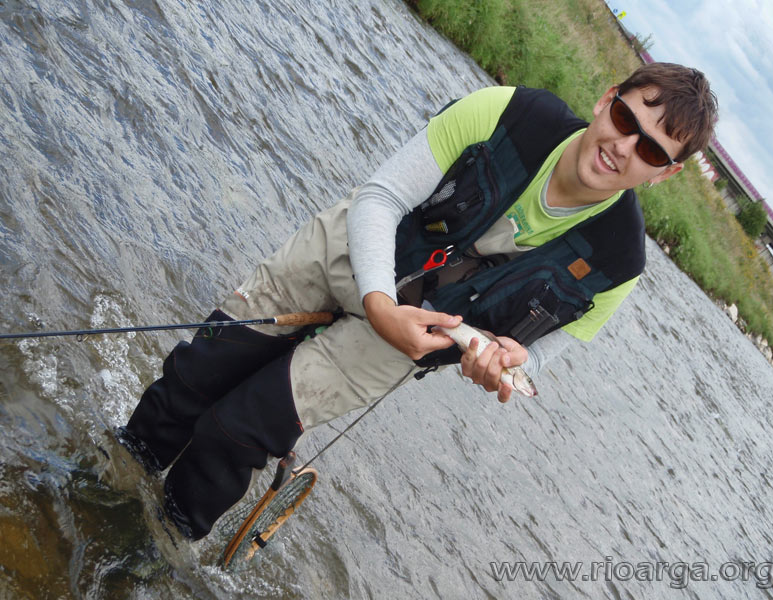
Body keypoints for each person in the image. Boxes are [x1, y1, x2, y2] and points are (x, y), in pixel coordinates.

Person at [116, 62, 718, 540]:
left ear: (664, 174)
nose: (623, 146)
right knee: (194, 380)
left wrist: (513, 361)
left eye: (651, 151)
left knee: (236, 432)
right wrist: (378, 300)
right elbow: (380, 199)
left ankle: (159, 546)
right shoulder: (507, 111)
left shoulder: (619, 266)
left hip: (417, 336)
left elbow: (543, 351)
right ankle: (111, 476)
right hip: (351, 251)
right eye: (624, 118)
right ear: (606, 99)